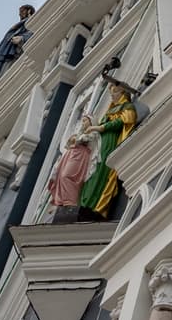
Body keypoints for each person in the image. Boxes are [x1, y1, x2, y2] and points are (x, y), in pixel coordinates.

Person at [77, 82, 138, 218]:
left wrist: (97, 128)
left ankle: (95, 204)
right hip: (100, 143)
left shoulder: (127, 107)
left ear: (123, 94)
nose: (112, 96)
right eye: (111, 93)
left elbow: (121, 122)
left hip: (110, 142)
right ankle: (85, 202)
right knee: (92, 172)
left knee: (102, 172)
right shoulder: (111, 109)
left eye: (115, 92)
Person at [44, 116, 95, 219]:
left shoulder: (91, 131)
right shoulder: (81, 131)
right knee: (61, 177)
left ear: (91, 122)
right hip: (71, 154)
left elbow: (85, 139)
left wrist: (78, 138)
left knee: (67, 176)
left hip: (79, 155)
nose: (83, 123)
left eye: (85, 120)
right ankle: (60, 202)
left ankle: (70, 202)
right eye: (83, 121)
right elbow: (72, 141)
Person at [0, 4, 34, 90]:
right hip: (5, 52)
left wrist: (22, 38)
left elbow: (33, 32)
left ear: (29, 11)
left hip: (14, 52)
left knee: (7, 72)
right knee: (1, 73)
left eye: (22, 11)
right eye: (20, 12)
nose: (20, 14)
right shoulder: (18, 25)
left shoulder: (31, 21)